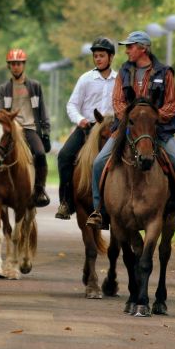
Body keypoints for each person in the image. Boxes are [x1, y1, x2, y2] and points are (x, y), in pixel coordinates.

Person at [86, 31, 175, 227]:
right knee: (98, 163)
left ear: (143, 48)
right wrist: (133, 119)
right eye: (126, 47)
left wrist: (151, 118)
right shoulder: (124, 71)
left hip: (158, 130)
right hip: (127, 129)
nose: (127, 50)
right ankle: (99, 211)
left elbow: (171, 105)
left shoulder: (165, 72)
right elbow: (117, 102)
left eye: (130, 46)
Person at [55, 37, 117, 219]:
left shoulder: (120, 80)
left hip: (112, 130)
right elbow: (71, 105)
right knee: (64, 156)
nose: (98, 59)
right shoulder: (85, 79)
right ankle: (66, 202)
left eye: (102, 56)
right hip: (87, 128)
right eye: (95, 56)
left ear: (111, 57)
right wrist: (80, 119)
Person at [0, 48, 52, 207]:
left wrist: (46, 132)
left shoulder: (35, 86)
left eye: (18, 64)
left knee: (40, 154)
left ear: (24, 65)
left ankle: (39, 189)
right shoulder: (3, 89)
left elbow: (42, 110)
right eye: (12, 64)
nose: (15, 67)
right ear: (8, 66)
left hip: (29, 129)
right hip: (10, 130)